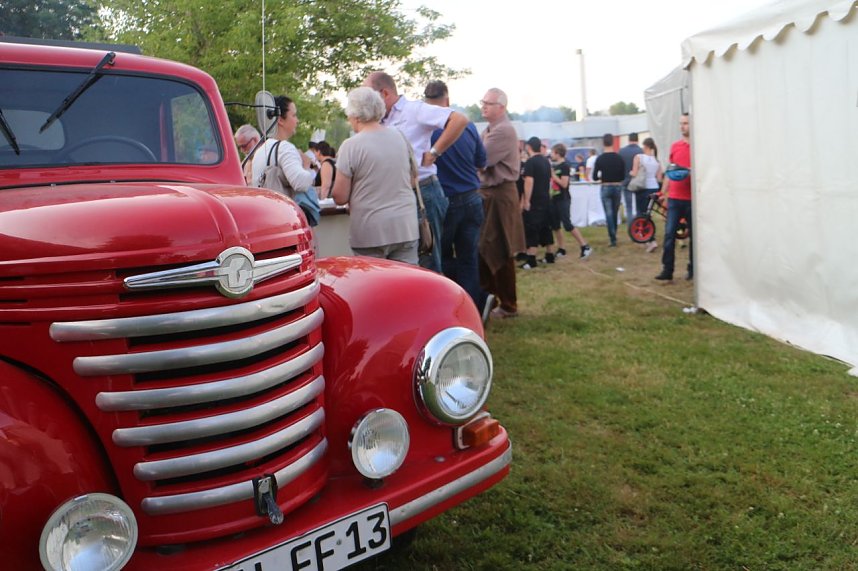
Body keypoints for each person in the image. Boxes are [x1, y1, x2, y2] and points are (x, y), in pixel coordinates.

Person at [364, 71, 469, 273]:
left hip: (422, 193)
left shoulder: (414, 110)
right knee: (407, 262)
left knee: (427, 259)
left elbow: (459, 120)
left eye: (370, 96)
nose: (368, 102)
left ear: (384, 93)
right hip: (397, 195)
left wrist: (434, 152)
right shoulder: (379, 121)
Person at [330, 87, 418, 264]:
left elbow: (340, 196)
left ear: (355, 116)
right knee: (406, 279)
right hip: (405, 227)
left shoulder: (350, 146)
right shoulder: (400, 136)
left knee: (374, 280)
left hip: (370, 231)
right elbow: (413, 179)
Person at [424, 80, 487, 308]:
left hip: (445, 201)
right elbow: (482, 161)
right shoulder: (467, 126)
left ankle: (449, 309)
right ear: (447, 100)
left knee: (440, 259)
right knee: (468, 258)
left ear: (426, 103)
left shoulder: (426, 130)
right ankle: (474, 310)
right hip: (472, 197)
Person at [478, 88, 526, 319]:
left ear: (502, 107)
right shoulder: (489, 129)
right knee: (486, 247)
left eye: (488, 103)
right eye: (483, 102)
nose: (483, 106)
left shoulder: (503, 130)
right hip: (491, 193)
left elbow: (480, 159)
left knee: (500, 247)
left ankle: (508, 304)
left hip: (499, 194)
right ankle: (492, 299)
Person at [250, 95, 320, 226]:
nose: (297, 120)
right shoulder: (285, 148)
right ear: (280, 119)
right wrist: (307, 168)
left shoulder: (261, 150)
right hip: (284, 220)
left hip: (264, 218)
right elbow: (300, 183)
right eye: (294, 115)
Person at [655, 114, 693, 281]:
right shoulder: (675, 147)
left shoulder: (698, 147)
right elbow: (670, 173)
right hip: (675, 198)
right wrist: (663, 193)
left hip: (692, 199)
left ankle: (693, 269)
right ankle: (667, 270)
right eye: (681, 123)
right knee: (669, 234)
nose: (682, 126)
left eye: (686, 123)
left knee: (694, 237)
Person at [549, 143, 592, 259]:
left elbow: (564, 184)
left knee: (567, 224)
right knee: (555, 225)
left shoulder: (565, 166)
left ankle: (584, 246)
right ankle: (561, 249)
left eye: (552, 152)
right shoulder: (556, 166)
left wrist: (553, 176)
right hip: (554, 198)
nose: (551, 155)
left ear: (558, 153)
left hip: (563, 199)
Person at [519, 136, 554, 269]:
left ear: (529, 147)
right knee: (546, 227)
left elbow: (529, 181)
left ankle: (531, 259)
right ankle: (550, 255)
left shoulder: (530, 162)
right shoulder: (546, 161)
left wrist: (527, 200)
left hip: (535, 199)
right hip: (545, 197)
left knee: (532, 228)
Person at [629, 137, 663, 253]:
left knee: (641, 214)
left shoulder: (639, 157)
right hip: (654, 188)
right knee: (648, 214)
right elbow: (659, 178)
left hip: (642, 188)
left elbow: (634, 173)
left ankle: (649, 240)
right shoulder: (656, 161)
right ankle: (647, 238)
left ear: (645, 146)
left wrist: (630, 173)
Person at [591, 133, 626, 247]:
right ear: (613, 142)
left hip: (605, 186)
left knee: (609, 213)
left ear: (603, 143)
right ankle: (614, 234)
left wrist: (601, 177)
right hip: (617, 186)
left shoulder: (600, 158)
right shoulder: (619, 158)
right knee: (615, 212)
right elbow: (623, 176)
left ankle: (612, 238)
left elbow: (594, 177)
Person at [619, 132, 643, 222]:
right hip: (638, 181)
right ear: (638, 139)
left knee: (628, 206)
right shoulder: (641, 151)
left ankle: (630, 224)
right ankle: (639, 223)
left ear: (628, 140)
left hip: (626, 180)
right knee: (639, 206)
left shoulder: (621, 151)